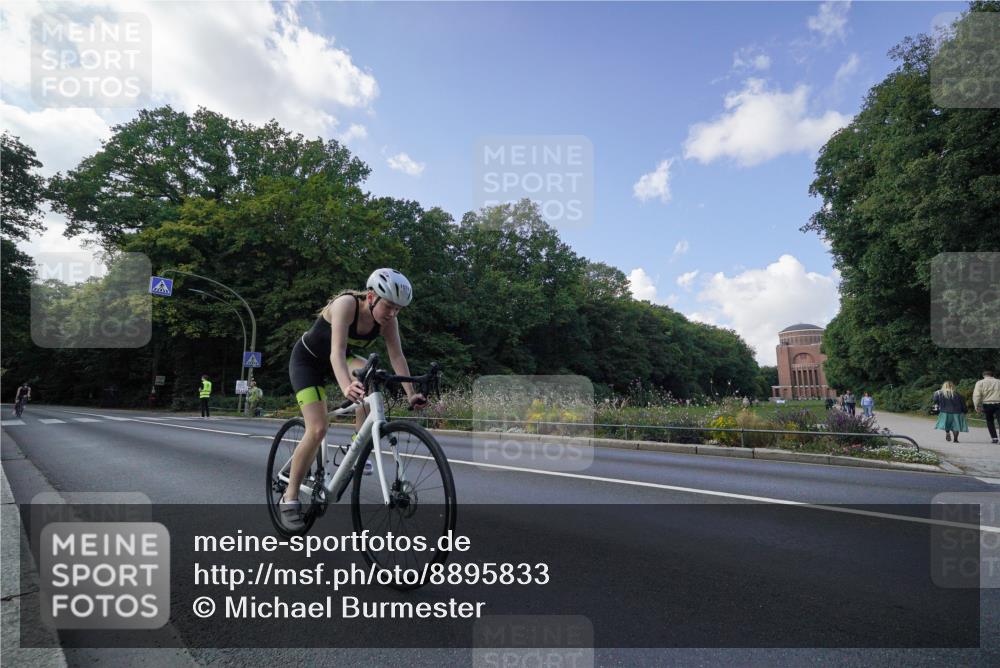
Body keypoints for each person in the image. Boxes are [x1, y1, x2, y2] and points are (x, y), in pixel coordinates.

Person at [280, 269, 427, 530]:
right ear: (371, 296)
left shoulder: (389, 321)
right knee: (318, 428)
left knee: (372, 379)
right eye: (390, 306)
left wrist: (410, 393)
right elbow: (336, 353)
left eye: (398, 309)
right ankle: (289, 498)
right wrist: (347, 386)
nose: (393, 313)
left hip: (339, 360)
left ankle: (356, 446)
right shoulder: (346, 304)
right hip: (308, 362)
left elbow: (397, 357)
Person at [973, 370, 1000, 444]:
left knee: (990, 421)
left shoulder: (980, 383)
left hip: (987, 403)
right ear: (992, 375)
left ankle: (994, 438)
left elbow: (977, 395)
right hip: (998, 403)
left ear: (984, 376)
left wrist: (976, 405)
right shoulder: (998, 382)